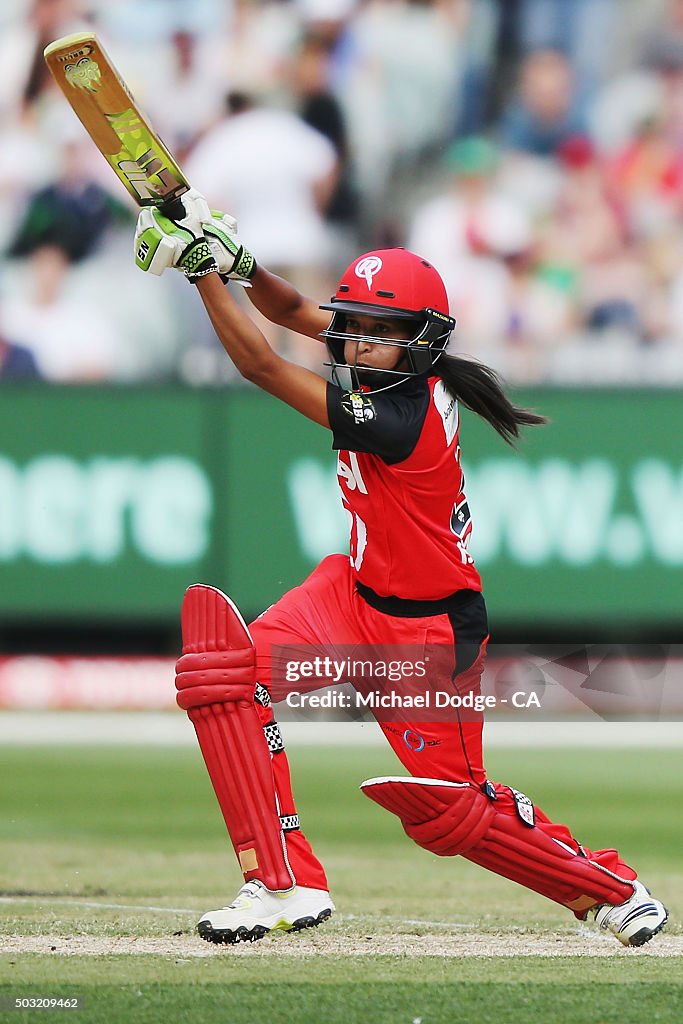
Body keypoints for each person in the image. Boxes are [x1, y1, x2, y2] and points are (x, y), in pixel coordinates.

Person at [133, 191, 668, 948]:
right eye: (356, 328)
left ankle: (612, 890)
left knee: (455, 813)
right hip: (348, 593)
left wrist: (198, 276)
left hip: (424, 632)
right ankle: (280, 882)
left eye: (381, 335)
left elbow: (258, 360)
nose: (358, 345)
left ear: (419, 345)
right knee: (224, 672)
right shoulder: (380, 354)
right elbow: (293, 312)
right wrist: (236, 260)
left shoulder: (401, 417)